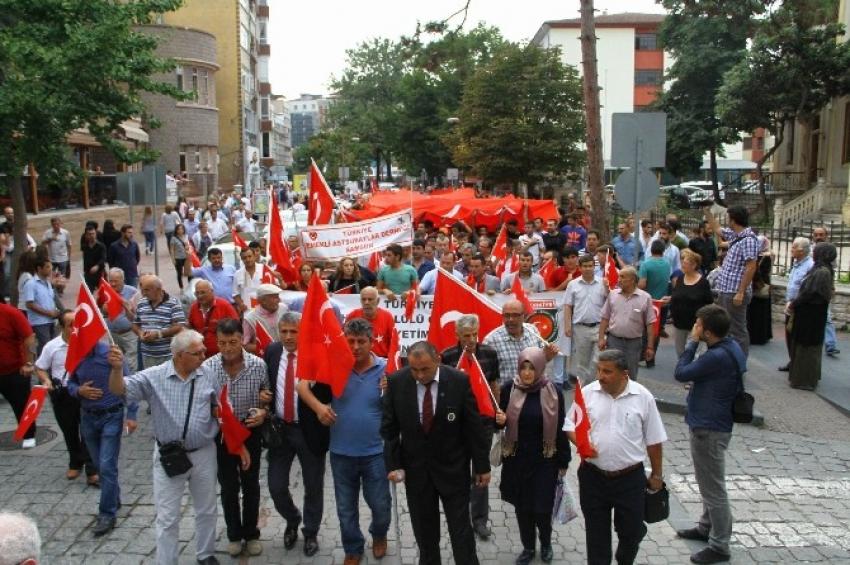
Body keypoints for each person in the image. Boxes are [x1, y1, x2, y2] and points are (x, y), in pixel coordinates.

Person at [109, 331, 241, 565]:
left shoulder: (208, 374)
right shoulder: (154, 376)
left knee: (207, 509)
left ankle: (205, 554)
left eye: (203, 350)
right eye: (197, 352)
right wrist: (117, 369)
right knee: (168, 516)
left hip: (203, 453)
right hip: (169, 455)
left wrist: (220, 416)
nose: (204, 355)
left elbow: (221, 406)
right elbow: (121, 391)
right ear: (179, 356)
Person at [381, 341, 491, 565]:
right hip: (417, 473)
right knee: (425, 534)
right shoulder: (397, 382)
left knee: (461, 532)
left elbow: (473, 427)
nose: (419, 375)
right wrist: (393, 464)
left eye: (425, 369)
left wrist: (482, 466)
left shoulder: (458, 381)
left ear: (438, 360)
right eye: (414, 369)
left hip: (453, 470)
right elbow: (389, 429)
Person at [300, 319, 392, 564]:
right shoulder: (334, 366)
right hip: (341, 453)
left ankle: (379, 533)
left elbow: (406, 399)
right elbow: (301, 386)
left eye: (361, 341)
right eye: (350, 341)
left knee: (380, 506)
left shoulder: (386, 369)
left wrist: (391, 387)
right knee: (345, 508)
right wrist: (320, 408)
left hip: (376, 453)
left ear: (371, 342)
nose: (355, 346)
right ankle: (353, 548)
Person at [564, 349, 667, 565]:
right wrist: (581, 443)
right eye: (599, 370)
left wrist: (657, 475)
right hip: (593, 477)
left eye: (607, 372)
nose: (601, 376)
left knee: (631, 531)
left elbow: (654, 440)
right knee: (596, 534)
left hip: (630, 479)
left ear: (624, 374)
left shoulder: (643, 397)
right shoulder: (587, 393)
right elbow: (569, 425)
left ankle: (624, 557)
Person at [674, 305, 743, 564]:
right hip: (716, 421)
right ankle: (706, 527)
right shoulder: (730, 347)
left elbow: (681, 372)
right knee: (707, 482)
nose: (695, 327)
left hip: (709, 427)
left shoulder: (715, 356)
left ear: (708, 330)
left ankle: (720, 544)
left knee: (713, 489)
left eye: (698, 324)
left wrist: (692, 343)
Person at [263, 313, 328, 558]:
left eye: (294, 331)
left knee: (313, 485)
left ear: (303, 332)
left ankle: (310, 531)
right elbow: (266, 381)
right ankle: (292, 518)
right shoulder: (271, 351)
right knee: (276, 485)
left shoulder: (316, 354)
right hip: (281, 431)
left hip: (309, 431)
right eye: (284, 331)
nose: (289, 336)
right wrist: (264, 396)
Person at [203, 319, 268, 557]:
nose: (228, 348)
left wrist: (263, 411)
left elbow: (266, 397)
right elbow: (205, 401)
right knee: (229, 487)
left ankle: (251, 534)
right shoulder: (208, 366)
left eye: (232, 342)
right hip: (222, 435)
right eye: (222, 343)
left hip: (249, 430)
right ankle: (233, 533)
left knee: (251, 484)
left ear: (242, 339)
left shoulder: (258, 365)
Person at [498, 348, 569, 565]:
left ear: (540, 367)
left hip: (545, 460)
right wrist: (497, 420)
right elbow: (497, 421)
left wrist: (564, 460)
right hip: (517, 459)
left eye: (531, 367)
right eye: (523, 367)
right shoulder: (510, 388)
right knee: (523, 508)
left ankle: (545, 543)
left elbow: (561, 427)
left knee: (542, 508)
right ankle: (528, 547)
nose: (527, 373)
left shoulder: (553, 391)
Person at [440, 314, 501, 540]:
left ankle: (480, 519)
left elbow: (493, 383)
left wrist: (497, 412)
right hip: (456, 426)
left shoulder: (489, 354)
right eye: (466, 336)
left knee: (481, 473)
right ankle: (459, 518)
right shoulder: (447, 356)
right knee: (458, 472)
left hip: (482, 423)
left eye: (475, 334)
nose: (471, 339)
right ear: (457, 335)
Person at [68, 342, 138, 536]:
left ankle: (107, 513)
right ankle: (113, 497)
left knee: (107, 466)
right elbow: (70, 383)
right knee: (100, 465)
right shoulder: (75, 354)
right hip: (88, 417)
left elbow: (129, 384)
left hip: (111, 416)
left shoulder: (112, 352)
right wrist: (78, 391)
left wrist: (131, 414)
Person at [35, 311, 97, 483]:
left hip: (85, 391)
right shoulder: (52, 346)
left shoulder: (88, 344)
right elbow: (40, 367)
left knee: (88, 431)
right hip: (63, 394)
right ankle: (75, 463)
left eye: (78, 323)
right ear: (61, 327)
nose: (75, 328)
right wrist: (46, 380)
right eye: (71, 325)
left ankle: (91, 468)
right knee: (69, 430)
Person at [704, 206, 759, 356]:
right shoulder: (736, 235)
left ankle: (739, 363)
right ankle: (729, 359)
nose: (727, 221)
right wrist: (707, 212)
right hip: (726, 290)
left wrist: (741, 292)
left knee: (737, 330)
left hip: (735, 291)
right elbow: (718, 230)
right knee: (727, 327)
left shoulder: (748, 240)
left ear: (733, 220)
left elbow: (751, 267)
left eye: (729, 218)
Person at [788, 243, 837, 391]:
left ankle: (804, 379)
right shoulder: (821, 269)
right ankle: (802, 377)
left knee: (807, 347)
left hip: (811, 315)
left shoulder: (822, 272)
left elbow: (810, 293)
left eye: (816, 252)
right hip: (810, 313)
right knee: (805, 345)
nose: (813, 254)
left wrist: (794, 304)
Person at [598, 267, 657, 380]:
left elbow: (650, 324)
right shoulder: (613, 295)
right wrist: (601, 338)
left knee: (631, 373)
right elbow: (605, 318)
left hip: (633, 343)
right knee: (611, 371)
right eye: (619, 276)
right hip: (613, 340)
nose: (619, 279)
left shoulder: (645, 297)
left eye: (623, 277)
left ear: (633, 280)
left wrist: (650, 347)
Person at [484, 300, 558, 384]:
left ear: (524, 316)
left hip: (535, 391)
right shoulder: (491, 341)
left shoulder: (533, 331)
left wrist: (546, 357)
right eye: (507, 315)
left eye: (515, 315)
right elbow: (487, 378)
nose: (511, 319)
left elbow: (537, 364)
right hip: (508, 394)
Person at [563, 254, 609, 382]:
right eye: (585, 266)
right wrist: (567, 326)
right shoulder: (573, 284)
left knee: (598, 359)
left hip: (599, 327)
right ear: (580, 267)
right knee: (582, 362)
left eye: (590, 266)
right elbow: (567, 306)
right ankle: (584, 390)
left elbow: (610, 303)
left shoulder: (603, 283)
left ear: (594, 267)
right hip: (580, 328)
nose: (588, 268)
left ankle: (594, 384)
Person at [0, 302, 37, 448]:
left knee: (21, 404)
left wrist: (28, 363)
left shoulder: (11, 313)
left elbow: (29, 337)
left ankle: (29, 434)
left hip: (14, 370)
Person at [134, 274, 186, 369]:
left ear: (158, 289)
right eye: (142, 290)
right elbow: (135, 324)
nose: (144, 293)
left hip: (168, 354)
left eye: (147, 290)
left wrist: (158, 334)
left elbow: (179, 326)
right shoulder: (141, 303)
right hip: (147, 355)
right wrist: (140, 333)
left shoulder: (173, 303)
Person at [670, 249, 714, 356]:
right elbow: (676, 295)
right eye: (682, 262)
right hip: (679, 323)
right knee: (680, 352)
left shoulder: (703, 282)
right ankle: (684, 370)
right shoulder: (680, 279)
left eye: (685, 263)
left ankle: (692, 371)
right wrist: (669, 300)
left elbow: (709, 303)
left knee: (693, 352)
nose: (682, 265)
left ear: (694, 265)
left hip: (695, 324)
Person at [779, 237, 813, 372]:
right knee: (789, 335)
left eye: (794, 247)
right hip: (790, 305)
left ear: (802, 250)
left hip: (799, 306)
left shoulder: (810, 265)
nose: (791, 249)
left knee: (796, 337)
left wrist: (793, 303)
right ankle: (792, 361)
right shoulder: (796, 263)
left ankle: (797, 364)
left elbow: (806, 290)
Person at [638, 240, 672, 366]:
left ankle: (642, 355)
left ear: (651, 249)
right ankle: (651, 358)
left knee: (645, 331)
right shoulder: (667, 264)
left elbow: (642, 284)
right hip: (662, 304)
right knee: (656, 330)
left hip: (648, 302)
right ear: (663, 250)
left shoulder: (646, 264)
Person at [188, 280, 239, 358]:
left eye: (203, 292)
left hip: (222, 355)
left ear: (212, 291)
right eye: (197, 293)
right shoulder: (194, 307)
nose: (199, 296)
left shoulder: (225, 306)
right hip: (201, 356)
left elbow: (237, 328)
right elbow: (190, 327)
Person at [811, 227, 840, 357]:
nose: (818, 237)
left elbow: (832, 269)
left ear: (826, 236)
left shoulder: (829, 251)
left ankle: (830, 345)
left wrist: (831, 287)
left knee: (827, 317)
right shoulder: (808, 248)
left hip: (824, 288)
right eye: (816, 235)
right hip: (809, 287)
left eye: (821, 234)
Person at [345, 287, 396, 358]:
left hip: (382, 361)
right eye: (364, 299)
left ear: (378, 301)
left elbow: (393, 342)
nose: (366, 302)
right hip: (357, 360)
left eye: (370, 299)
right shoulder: (352, 315)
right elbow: (344, 340)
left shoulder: (387, 317)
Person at [23, 257, 58, 354]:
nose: (50, 269)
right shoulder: (31, 284)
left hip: (51, 320)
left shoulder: (48, 283)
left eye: (50, 266)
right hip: (40, 322)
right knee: (45, 347)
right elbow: (29, 304)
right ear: (39, 268)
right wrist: (47, 313)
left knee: (53, 346)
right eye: (47, 267)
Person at [242, 283, 288, 354]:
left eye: (278, 297)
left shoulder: (283, 308)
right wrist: (266, 349)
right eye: (275, 298)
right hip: (263, 359)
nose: (279, 300)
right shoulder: (250, 319)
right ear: (263, 301)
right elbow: (245, 345)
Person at [747, 236, 773, 346]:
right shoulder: (767, 256)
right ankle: (762, 335)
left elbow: (760, 272)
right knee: (761, 313)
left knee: (756, 313)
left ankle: (756, 336)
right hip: (762, 285)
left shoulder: (763, 257)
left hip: (759, 286)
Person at [232, 247, 266, 314]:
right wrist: (241, 304)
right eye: (244, 258)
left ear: (254, 256)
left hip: (264, 310)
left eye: (249, 256)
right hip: (247, 312)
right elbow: (235, 294)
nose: (247, 259)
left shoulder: (264, 269)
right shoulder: (237, 274)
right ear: (241, 259)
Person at [42, 217, 71, 281]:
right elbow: (43, 243)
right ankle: (52, 288)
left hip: (63, 258)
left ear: (60, 223)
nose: (56, 226)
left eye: (57, 224)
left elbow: (69, 245)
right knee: (51, 276)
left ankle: (60, 289)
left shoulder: (65, 233)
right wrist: (50, 239)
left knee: (62, 276)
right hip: (51, 258)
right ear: (51, 225)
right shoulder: (48, 233)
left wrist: (68, 257)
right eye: (54, 224)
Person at [81, 224, 107, 291]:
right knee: (88, 293)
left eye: (93, 233)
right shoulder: (85, 247)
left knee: (104, 293)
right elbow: (85, 259)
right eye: (89, 234)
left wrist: (97, 266)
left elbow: (103, 258)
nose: (92, 236)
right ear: (86, 235)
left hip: (100, 273)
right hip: (88, 274)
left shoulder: (101, 246)